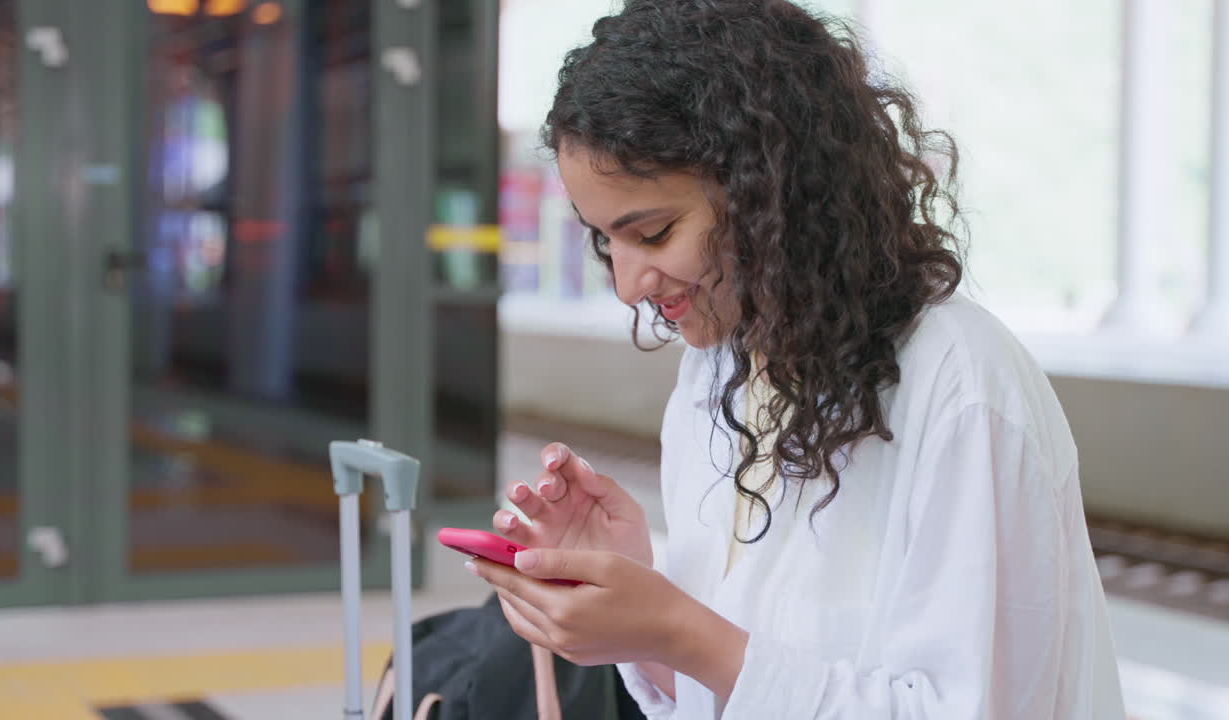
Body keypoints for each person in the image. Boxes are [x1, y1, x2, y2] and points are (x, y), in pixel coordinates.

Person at [467, 1, 1126, 717]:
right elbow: (725, 690)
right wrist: (635, 615)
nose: (628, 285)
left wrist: (681, 631)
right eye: (606, 242)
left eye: (653, 233)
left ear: (769, 189)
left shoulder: (963, 385)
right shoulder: (720, 370)